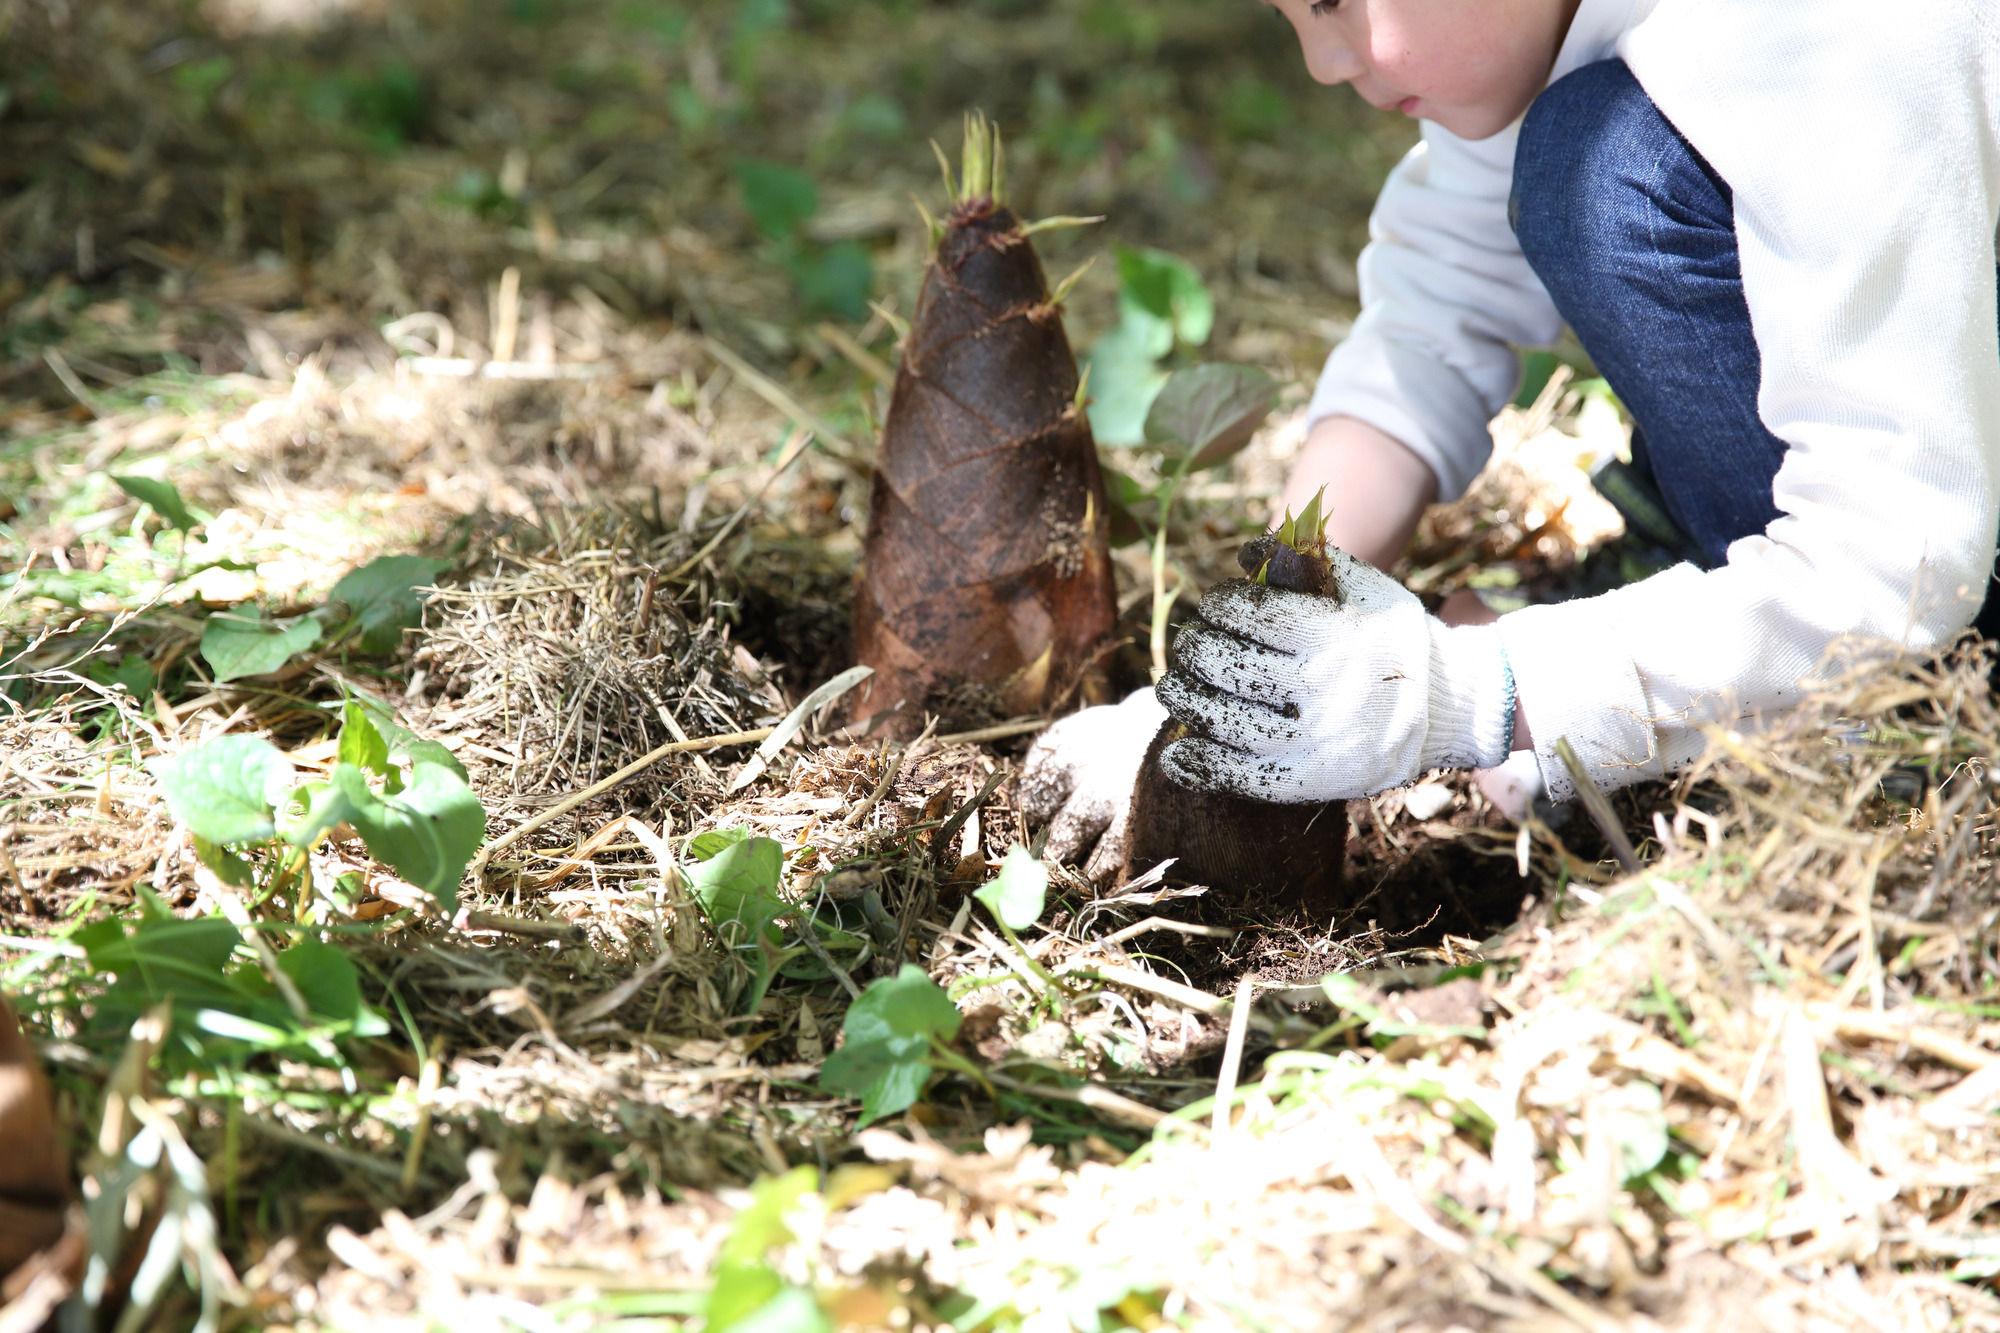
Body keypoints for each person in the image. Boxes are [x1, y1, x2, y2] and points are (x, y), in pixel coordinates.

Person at [1020, 0, 2000, 882]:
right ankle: (1722, 612)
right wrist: (1249, 648)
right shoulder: (1543, 29)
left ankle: (1876, 720)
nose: (1321, 62)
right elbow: (1429, 321)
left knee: (1611, 171)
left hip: (1939, 557)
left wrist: (1475, 694)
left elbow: (1900, 552)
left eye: (1332, 0)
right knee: (1582, 149)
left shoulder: (1827, 38)